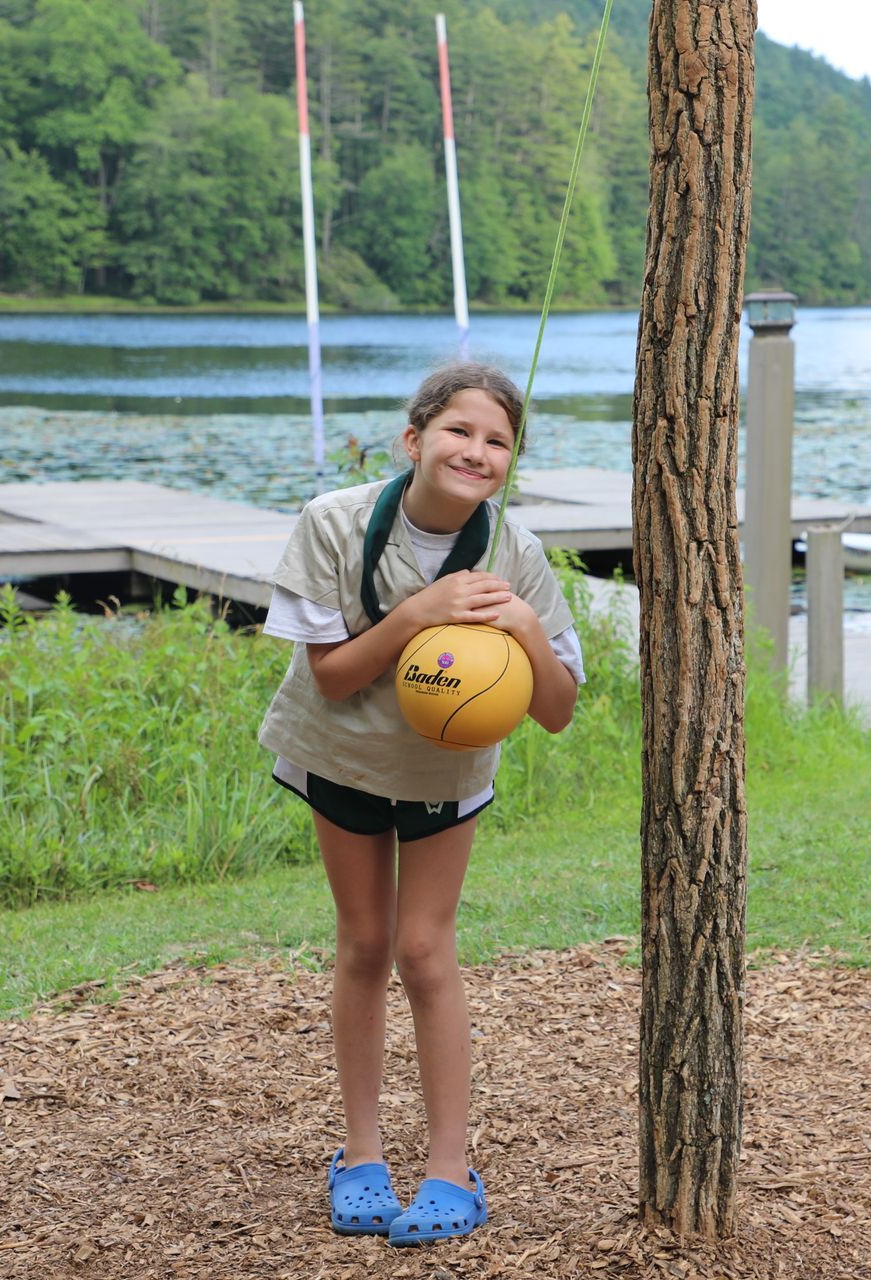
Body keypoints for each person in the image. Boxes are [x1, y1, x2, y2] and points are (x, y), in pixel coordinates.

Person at [258, 362, 582, 1247]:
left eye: (497, 441)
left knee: (425, 951)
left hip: (446, 774)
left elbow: (555, 712)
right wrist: (420, 614)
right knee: (364, 944)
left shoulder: (515, 553)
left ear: (511, 461)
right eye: (459, 431)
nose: (475, 451)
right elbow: (330, 681)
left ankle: (450, 1168)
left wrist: (522, 631)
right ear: (414, 440)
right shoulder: (332, 522)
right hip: (343, 758)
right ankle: (360, 1155)